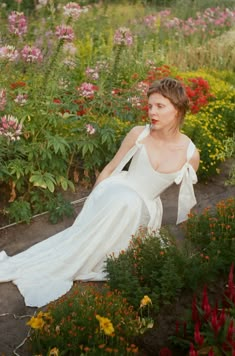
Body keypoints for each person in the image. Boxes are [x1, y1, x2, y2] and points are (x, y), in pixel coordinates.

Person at [0, 77, 200, 307]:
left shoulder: (190, 155)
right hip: (117, 192)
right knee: (127, 200)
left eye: (160, 106)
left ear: (177, 110)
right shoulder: (139, 134)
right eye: (150, 106)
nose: (151, 112)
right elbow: (111, 168)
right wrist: (91, 204)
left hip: (142, 207)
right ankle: (77, 248)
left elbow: (183, 198)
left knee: (133, 203)